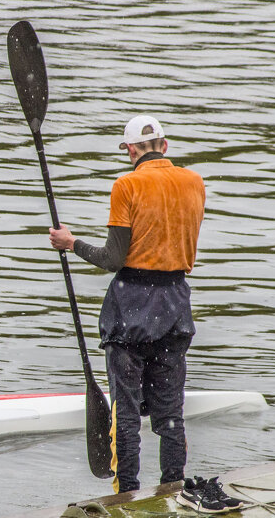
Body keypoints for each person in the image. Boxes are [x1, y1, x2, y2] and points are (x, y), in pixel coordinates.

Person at [48, 115, 205, 495]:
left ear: (130, 150)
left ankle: (128, 491)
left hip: (131, 306)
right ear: (164, 146)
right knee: (170, 409)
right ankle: (173, 486)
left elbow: (113, 258)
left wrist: (71, 244)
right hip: (175, 303)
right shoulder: (194, 182)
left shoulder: (126, 184)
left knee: (127, 411)